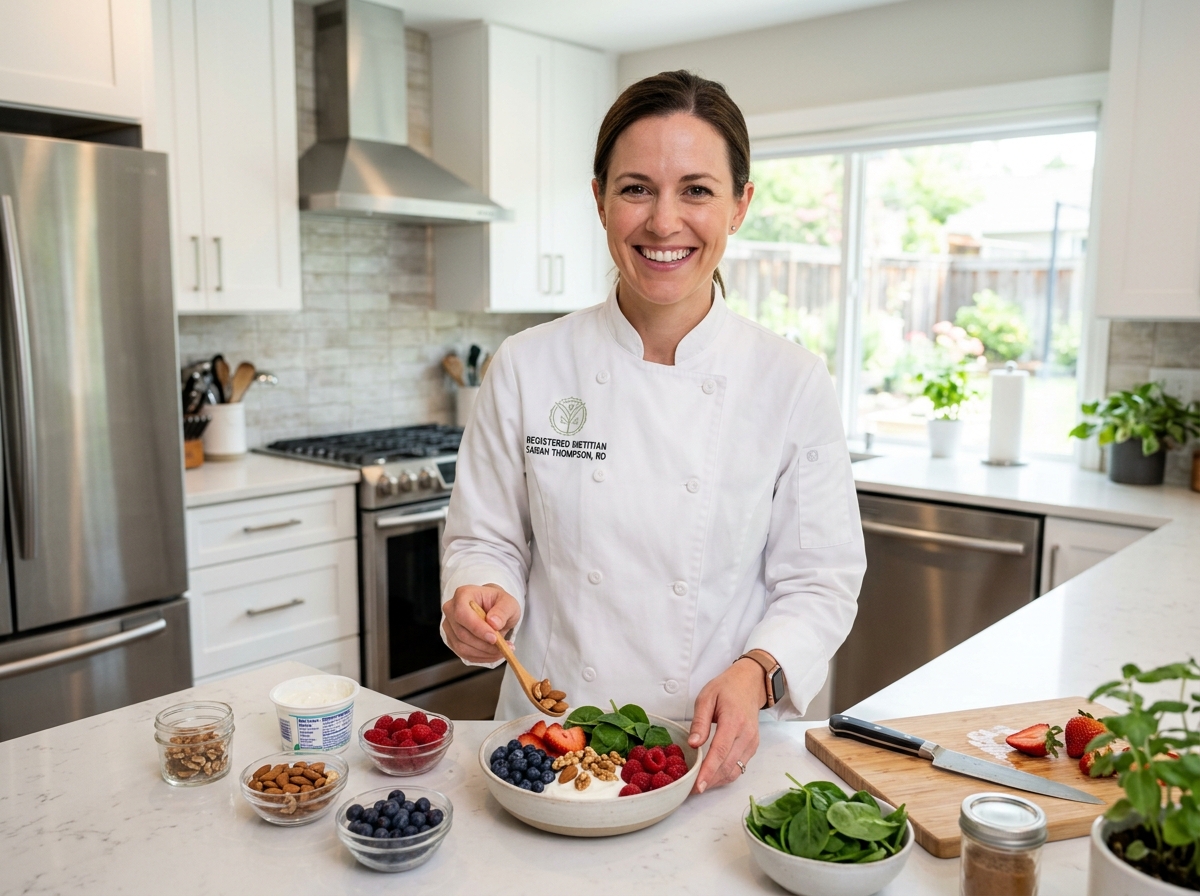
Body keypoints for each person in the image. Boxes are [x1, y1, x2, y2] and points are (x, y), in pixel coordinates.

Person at [440, 70, 866, 794]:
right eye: (636, 188)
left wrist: (758, 672)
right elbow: (486, 538)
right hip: (547, 745)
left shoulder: (791, 381)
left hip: (708, 751)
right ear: (600, 199)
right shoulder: (527, 365)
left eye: (696, 189)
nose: (664, 222)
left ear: (739, 206)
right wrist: (479, 594)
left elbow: (819, 581)